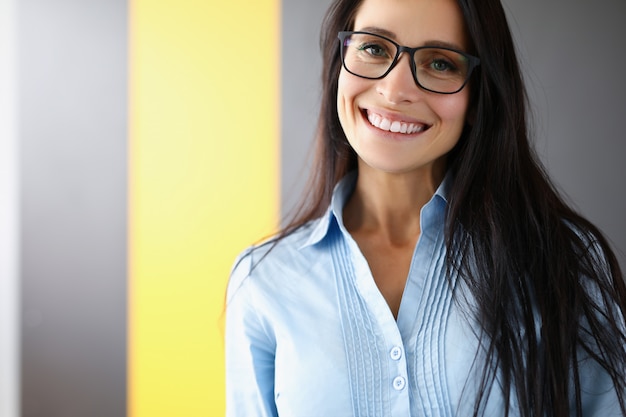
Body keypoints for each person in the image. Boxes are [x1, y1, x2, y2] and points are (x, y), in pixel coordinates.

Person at [225, 0, 626, 415]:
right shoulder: (263, 281)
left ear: (477, 97)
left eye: (440, 63)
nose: (396, 91)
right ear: (339, 63)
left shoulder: (562, 262)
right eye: (375, 48)